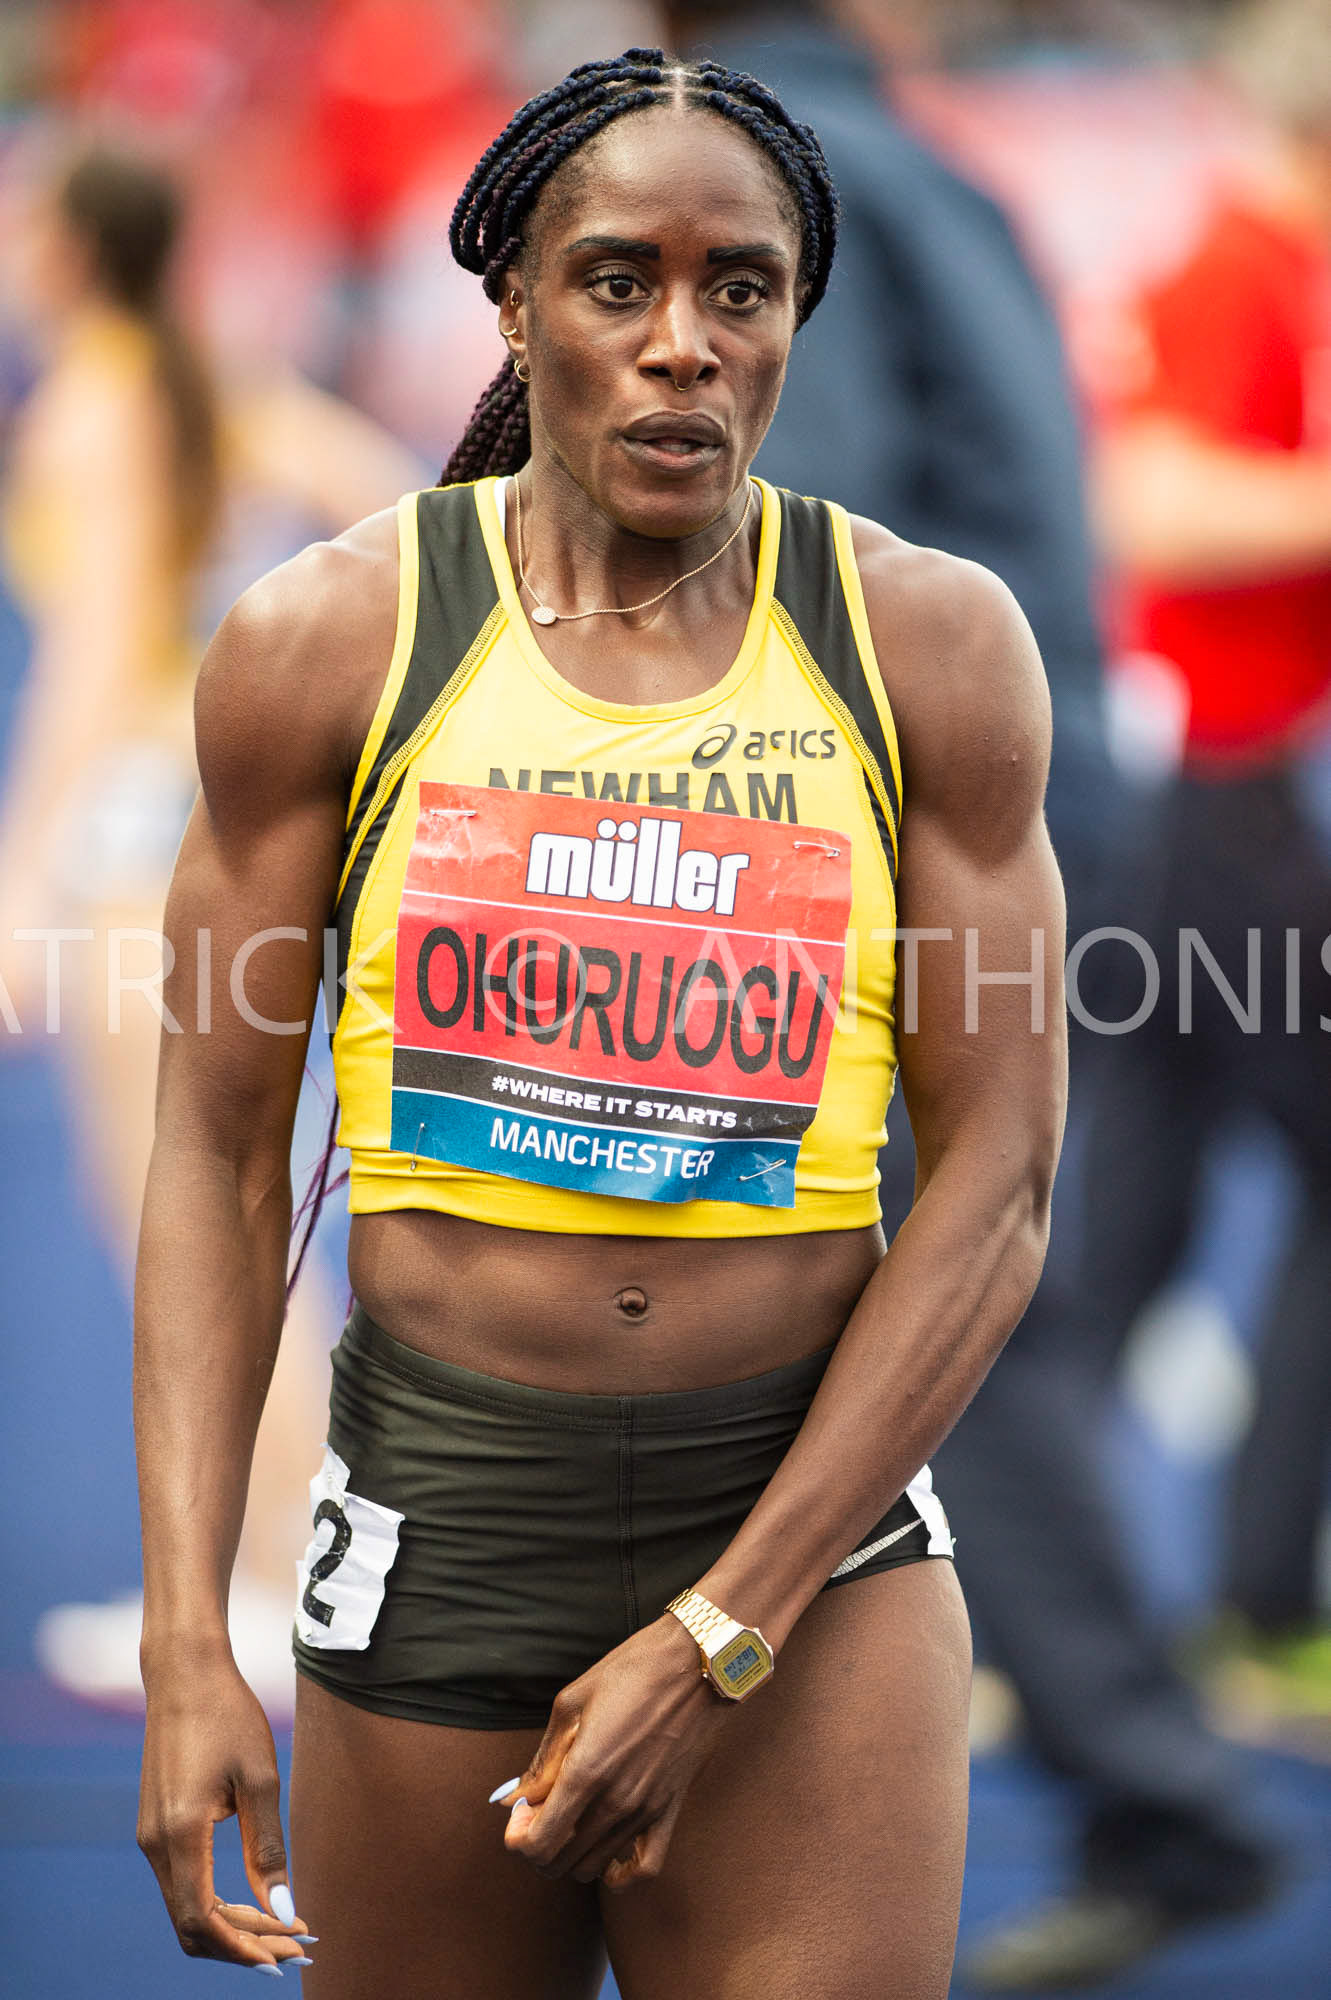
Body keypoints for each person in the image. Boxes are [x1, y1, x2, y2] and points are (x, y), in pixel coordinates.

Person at [132, 49, 1065, 1997]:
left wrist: (725, 1624)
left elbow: (1001, 1179)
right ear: (512, 300)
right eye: (617, 279)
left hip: (808, 1539)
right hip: (441, 1518)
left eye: (742, 287)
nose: (683, 344)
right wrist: (183, 1640)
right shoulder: (330, 643)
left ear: (797, 311)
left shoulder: (925, 643)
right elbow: (216, 1161)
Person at [663, 9, 1282, 1987]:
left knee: (936, 1323)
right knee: (980, 1305)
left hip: (900, 853)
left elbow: (798, 551)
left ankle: (1155, 1796)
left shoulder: (771, 175)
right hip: (1027, 818)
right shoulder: (927, 166)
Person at [958, 0, 1331, 1983]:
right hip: (1207, 799)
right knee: (1121, 1226)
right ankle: (1248, 1604)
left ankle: (1109, 1613)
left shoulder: (1270, 258)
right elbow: (1158, 506)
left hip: (1215, 792)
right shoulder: (1233, 264)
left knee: (1123, 1225)